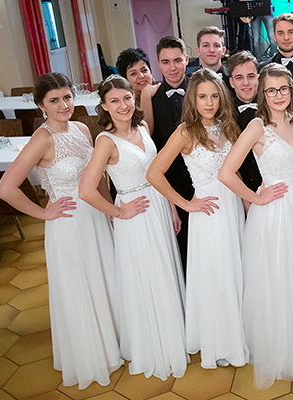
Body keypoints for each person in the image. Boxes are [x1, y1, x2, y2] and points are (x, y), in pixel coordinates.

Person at [0, 73, 122, 389]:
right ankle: (91, 355)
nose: (63, 105)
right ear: (41, 106)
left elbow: (98, 177)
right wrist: (44, 212)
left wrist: (110, 211)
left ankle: (116, 342)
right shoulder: (41, 139)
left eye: (67, 97)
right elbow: (5, 188)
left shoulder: (82, 128)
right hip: (68, 224)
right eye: (54, 100)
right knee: (80, 286)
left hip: (95, 217)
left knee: (105, 276)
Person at [218, 63, 293, 388]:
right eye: (271, 90)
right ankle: (280, 349)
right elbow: (226, 172)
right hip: (272, 213)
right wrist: (256, 198)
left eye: (283, 88)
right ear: (263, 94)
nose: (278, 95)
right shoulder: (256, 127)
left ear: (292, 90)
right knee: (277, 276)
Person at [79, 75, 187, 380]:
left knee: (164, 268)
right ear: (104, 106)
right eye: (114, 101)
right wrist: (118, 211)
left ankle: (174, 333)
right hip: (135, 215)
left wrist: (172, 205)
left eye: (126, 98)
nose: (123, 105)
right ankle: (154, 343)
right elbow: (86, 190)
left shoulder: (142, 127)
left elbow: (156, 173)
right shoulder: (105, 141)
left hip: (159, 207)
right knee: (147, 274)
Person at [146, 69, 248, 369]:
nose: (209, 102)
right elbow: (154, 173)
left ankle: (241, 334)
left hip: (233, 208)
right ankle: (220, 342)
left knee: (238, 270)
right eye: (203, 96)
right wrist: (186, 204)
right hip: (208, 212)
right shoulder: (185, 132)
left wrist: (247, 205)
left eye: (215, 96)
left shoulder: (229, 127)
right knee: (216, 275)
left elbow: (236, 173)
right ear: (193, 99)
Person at [141, 36, 193, 269]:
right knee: (178, 244)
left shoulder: (201, 89)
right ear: (158, 64)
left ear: (186, 60)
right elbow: (148, 139)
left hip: (200, 176)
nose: (172, 68)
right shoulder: (151, 96)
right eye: (166, 62)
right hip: (169, 180)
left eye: (177, 60)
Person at [228, 51, 263, 193]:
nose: (246, 83)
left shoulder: (272, 109)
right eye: (239, 78)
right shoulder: (223, 115)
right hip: (237, 192)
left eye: (251, 76)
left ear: (258, 78)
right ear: (231, 82)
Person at [260, 13, 293, 96]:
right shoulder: (263, 68)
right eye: (281, 33)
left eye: (291, 32)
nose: (286, 38)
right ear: (274, 36)